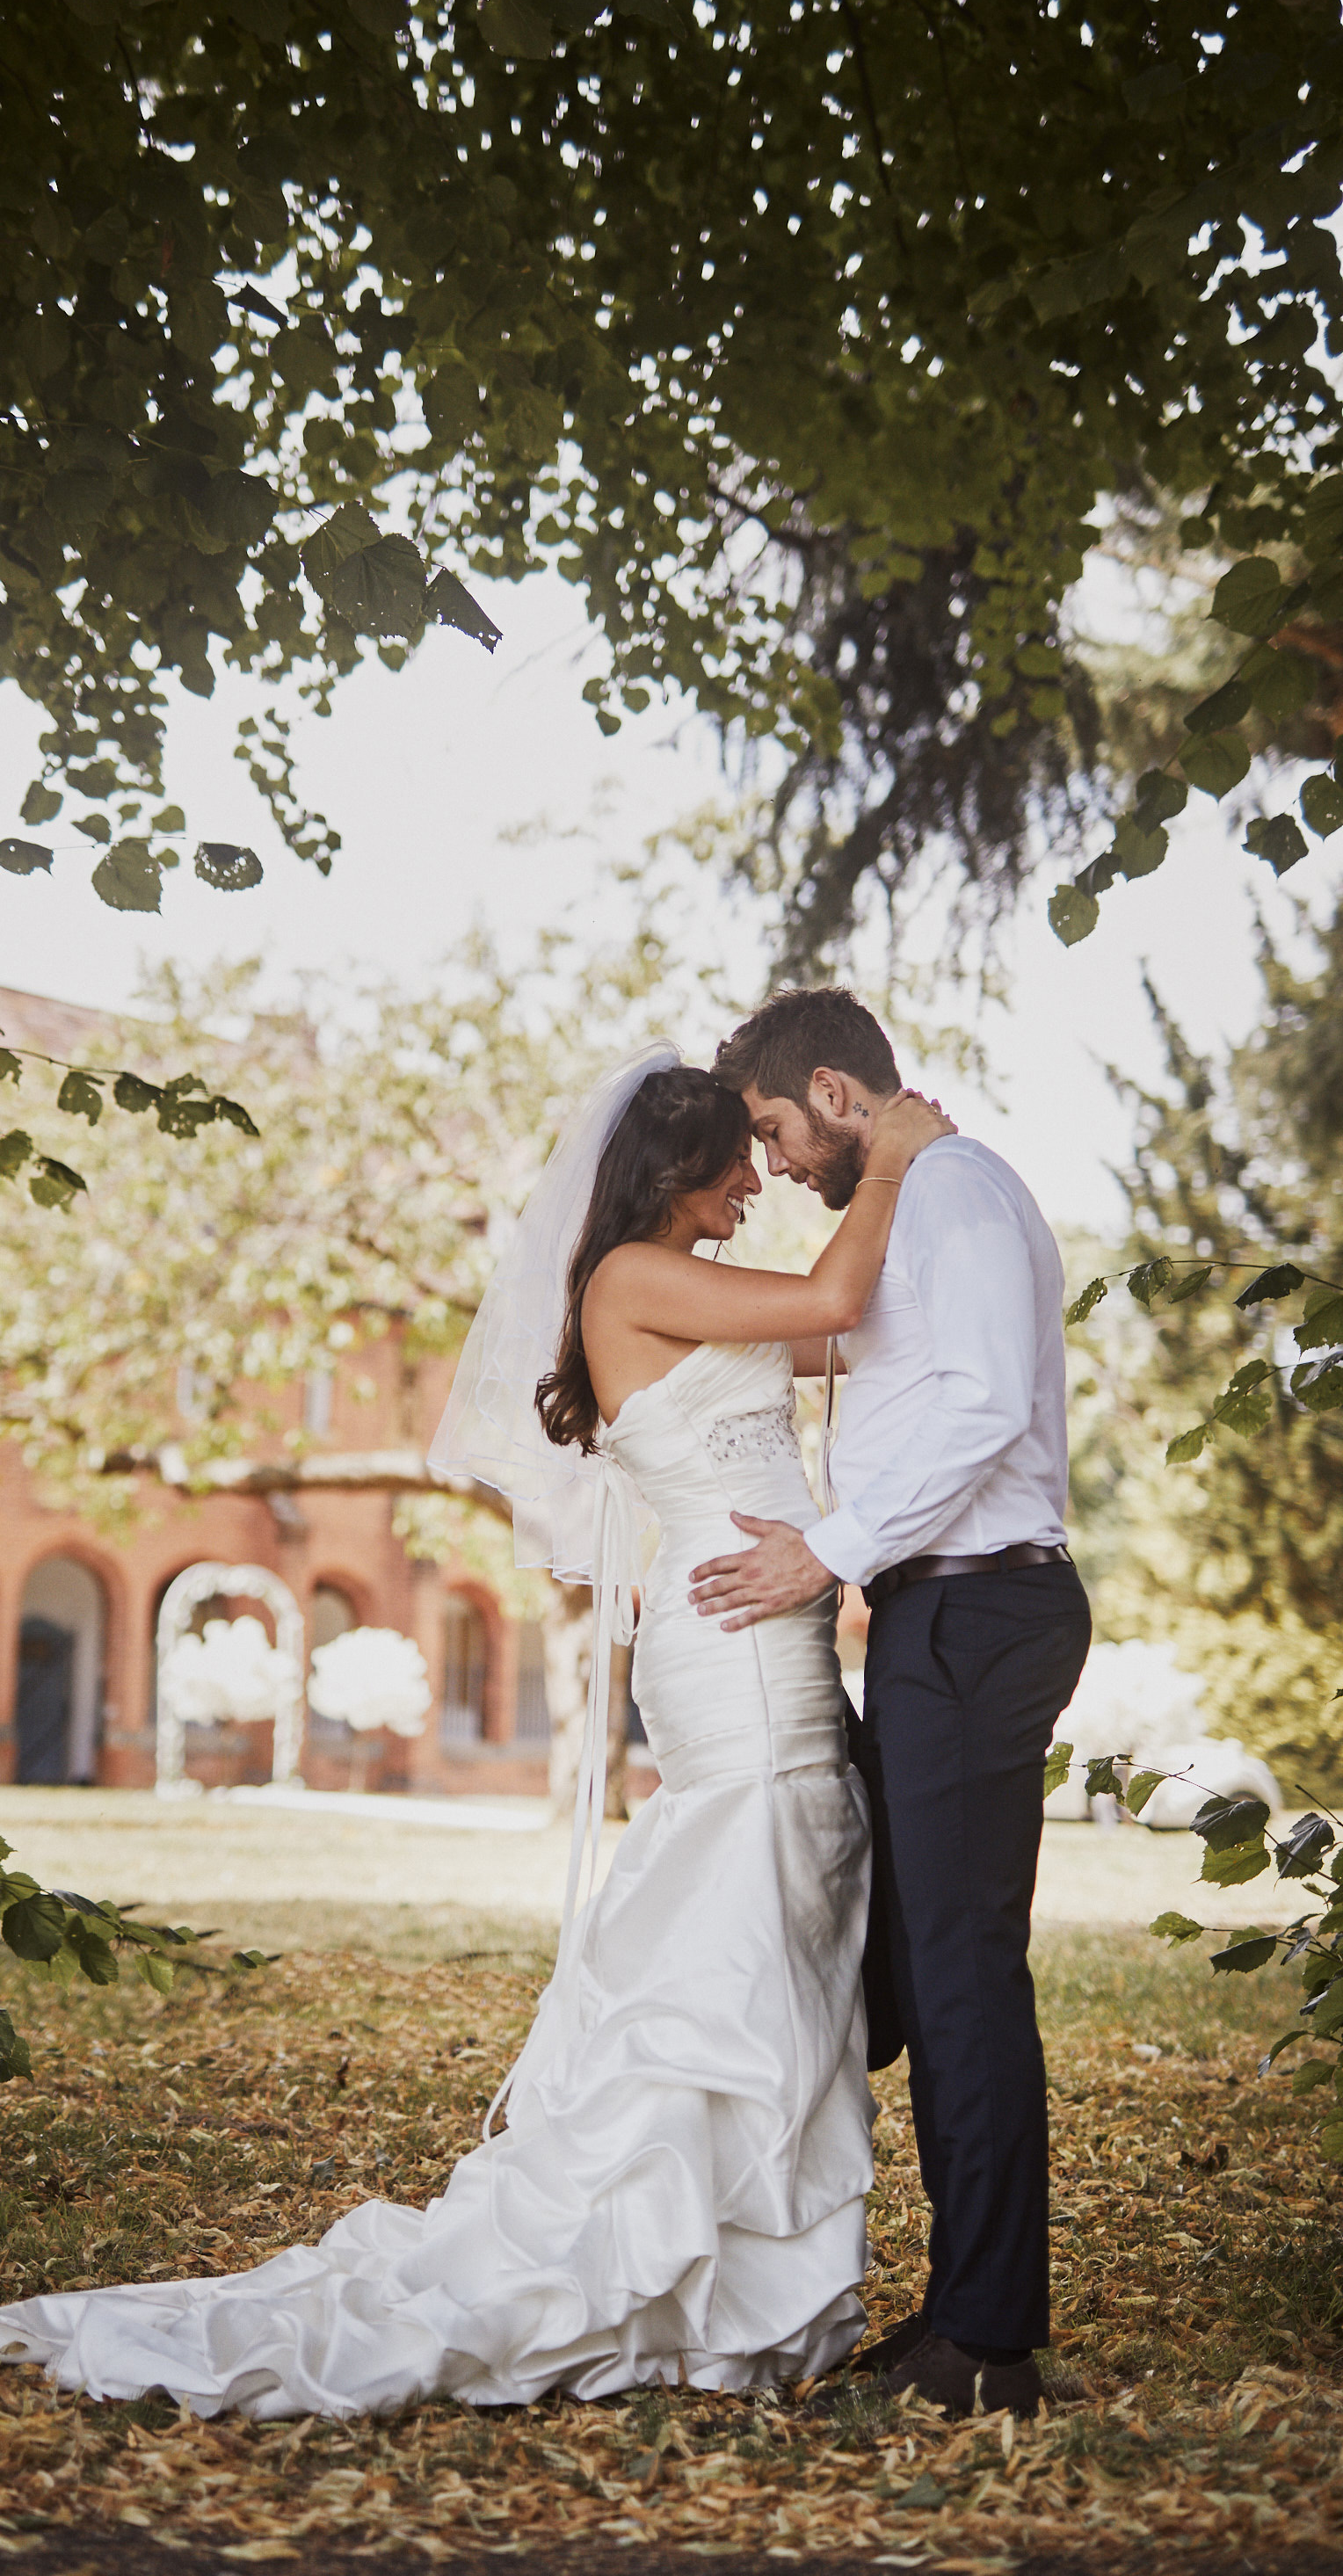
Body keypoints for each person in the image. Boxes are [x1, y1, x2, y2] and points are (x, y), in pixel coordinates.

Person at [0, 1044, 950, 2417]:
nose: (747, 1192)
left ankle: (722, 2264)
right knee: (745, 1923)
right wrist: (892, 1155)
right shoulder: (631, 1281)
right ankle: (672, 2263)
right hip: (737, 1646)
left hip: (749, 1625)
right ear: (676, 1166)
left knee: (768, 1924)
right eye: (733, 1169)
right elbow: (839, 1292)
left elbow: (844, 1329)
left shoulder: (692, 1288)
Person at [690, 988, 1092, 2423]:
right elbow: (854, 1349)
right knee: (912, 1969)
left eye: (776, 1131)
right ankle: (961, 2306)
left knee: (964, 1972)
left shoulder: (961, 1194)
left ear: (836, 1096)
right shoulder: (910, 1212)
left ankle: (987, 2346)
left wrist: (828, 1552)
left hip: (982, 1607)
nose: (779, 1163)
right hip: (939, 1614)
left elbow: (984, 1401)